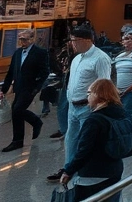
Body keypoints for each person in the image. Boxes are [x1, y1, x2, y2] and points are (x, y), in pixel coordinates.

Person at [47, 26, 111, 183]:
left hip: (87, 108)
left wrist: (97, 107)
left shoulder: (100, 58)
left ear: (87, 40)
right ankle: (69, 168)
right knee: (71, 139)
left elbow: (104, 84)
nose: (72, 44)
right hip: (73, 106)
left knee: (86, 141)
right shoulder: (77, 58)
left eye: (75, 41)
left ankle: (84, 170)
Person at [60, 79, 129, 202]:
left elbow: (84, 151)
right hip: (115, 170)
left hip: (93, 175)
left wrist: (68, 171)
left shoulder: (94, 120)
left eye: (89, 93)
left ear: (99, 95)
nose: (87, 97)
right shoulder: (123, 114)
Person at [0, 29, 50, 152]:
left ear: (32, 39)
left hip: (30, 88)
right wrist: (4, 89)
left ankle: (32, 125)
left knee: (17, 109)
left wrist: (37, 87)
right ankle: (20, 138)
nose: (22, 42)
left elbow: (45, 72)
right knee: (15, 111)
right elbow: (11, 72)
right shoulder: (17, 53)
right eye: (20, 39)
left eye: (25, 39)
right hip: (19, 87)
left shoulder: (40, 53)